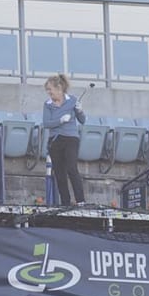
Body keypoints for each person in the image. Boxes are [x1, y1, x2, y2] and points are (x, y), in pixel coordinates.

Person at [39, 73, 85, 206]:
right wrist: (60, 120)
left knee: (71, 168)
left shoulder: (72, 100)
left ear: (59, 88)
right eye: (47, 90)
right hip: (55, 141)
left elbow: (82, 120)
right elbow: (47, 123)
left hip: (71, 138)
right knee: (59, 172)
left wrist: (80, 111)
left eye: (50, 90)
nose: (49, 93)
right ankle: (65, 202)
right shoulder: (47, 104)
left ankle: (80, 200)